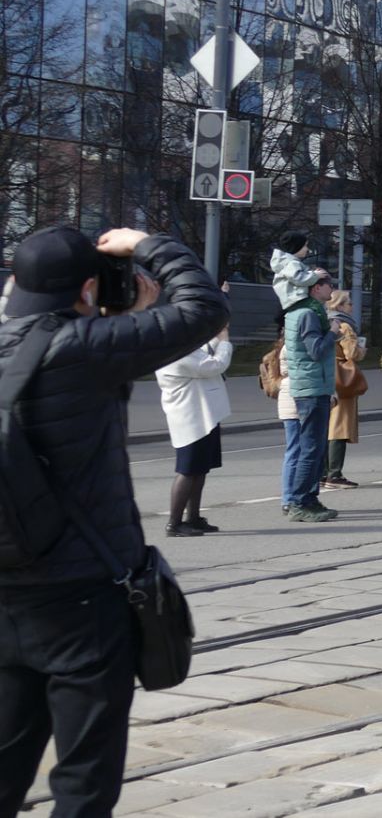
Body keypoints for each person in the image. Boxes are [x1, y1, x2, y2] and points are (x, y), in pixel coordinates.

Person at [0, 226, 226, 816]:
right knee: (85, 780)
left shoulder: (59, 345)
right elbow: (203, 309)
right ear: (88, 289)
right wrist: (149, 244)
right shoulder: (86, 347)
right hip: (82, 597)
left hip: (7, 590)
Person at [154, 307, 233, 537]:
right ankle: (174, 523)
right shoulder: (177, 355)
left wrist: (217, 331)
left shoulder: (182, 350)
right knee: (188, 471)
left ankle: (193, 518)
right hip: (192, 420)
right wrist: (224, 340)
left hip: (203, 417)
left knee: (200, 469)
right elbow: (214, 365)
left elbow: (205, 354)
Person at [281, 270, 340, 521]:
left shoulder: (305, 311)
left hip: (314, 386)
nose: (332, 290)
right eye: (329, 285)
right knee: (311, 449)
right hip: (311, 388)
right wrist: (333, 332)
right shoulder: (307, 314)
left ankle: (310, 499)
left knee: (315, 449)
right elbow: (315, 350)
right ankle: (299, 502)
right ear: (315, 288)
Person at [322, 289, 366, 490]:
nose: (352, 306)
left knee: (326, 426)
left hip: (326, 374)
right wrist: (361, 349)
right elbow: (352, 354)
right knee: (340, 426)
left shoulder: (324, 321)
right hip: (342, 378)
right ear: (339, 305)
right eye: (349, 303)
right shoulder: (345, 326)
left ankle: (323, 472)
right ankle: (335, 474)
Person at [269, 230, 323, 309]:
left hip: (293, 299)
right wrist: (316, 275)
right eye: (305, 246)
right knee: (318, 309)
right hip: (297, 298)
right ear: (296, 246)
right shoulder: (291, 263)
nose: (307, 249)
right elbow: (299, 279)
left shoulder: (288, 262)